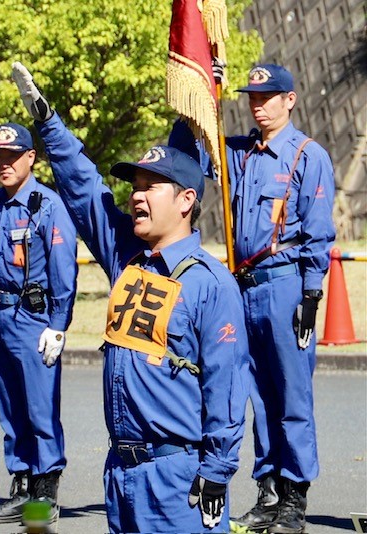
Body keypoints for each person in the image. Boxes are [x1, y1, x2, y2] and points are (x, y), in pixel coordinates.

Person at [12, 61, 250, 533]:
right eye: (135, 187)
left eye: (151, 187)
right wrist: (47, 122)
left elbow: (226, 388)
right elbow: (85, 191)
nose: (137, 197)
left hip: (179, 483)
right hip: (120, 477)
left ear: (186, 200)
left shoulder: (210, 283)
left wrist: (217, 472)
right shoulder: (129, 258)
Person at [170, 64, 336, 534]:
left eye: (268, 96)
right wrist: (205, 95)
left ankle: (294, 498)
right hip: (241, 286)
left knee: (291, 394)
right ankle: (266, 492)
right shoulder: (237, 152)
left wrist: (311, 294)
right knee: (255, 394)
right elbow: (186, 158)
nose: (258, 105)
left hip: (285, 285)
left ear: (291, 99)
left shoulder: (308, 155)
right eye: (252, 97)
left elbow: (318, 233)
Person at [0, 121, 78, 525]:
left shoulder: (48, 205)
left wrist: (58, 324)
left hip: (32, 319)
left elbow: (62, 270)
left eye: (12, 155)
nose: (4, 164)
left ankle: (45, 491)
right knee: (10, 409)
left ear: (30, 158)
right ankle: (20, 485)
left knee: (39, 408)